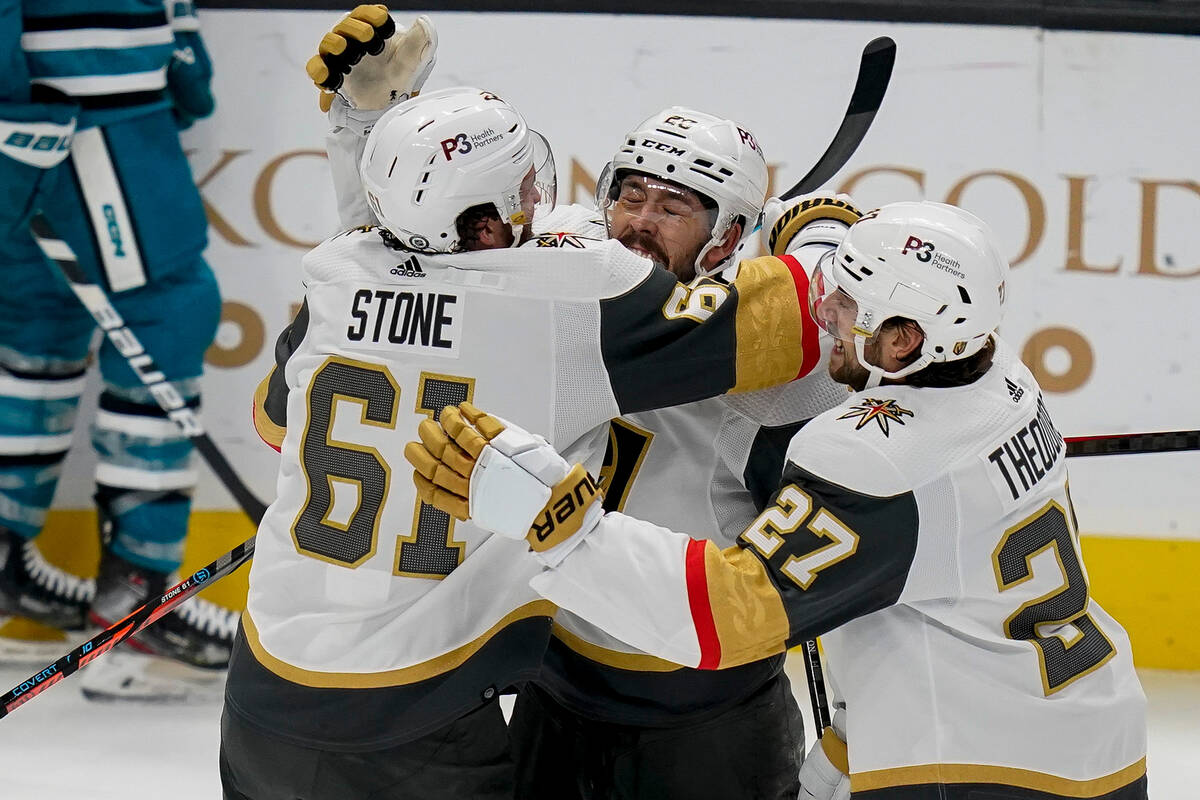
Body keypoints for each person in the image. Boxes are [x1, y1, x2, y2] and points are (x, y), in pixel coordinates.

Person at [220, 74, 858, 796]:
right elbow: (807, 313)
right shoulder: (581, 295)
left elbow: (290, 409)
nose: (637, 220)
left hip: (693, 714)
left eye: (673, 206)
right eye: (629, 195)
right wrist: (825, 233)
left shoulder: (340, 271)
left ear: (730, 234)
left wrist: (362, 131)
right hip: (517, 696)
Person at [409, 200, 1149, 800]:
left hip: (980, 773)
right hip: (1093, 738)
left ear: (903, 344)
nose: (824, 312)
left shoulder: (872, 457)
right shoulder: (1006, 382)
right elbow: (947, 613)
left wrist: (564, 526)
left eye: (849, 304)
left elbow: (723, 615)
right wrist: (844, 753)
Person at [0, 0, 237, 702]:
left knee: (38, 329)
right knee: (166, 311)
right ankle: (138, 600)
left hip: (50, 118)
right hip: (93, 119)